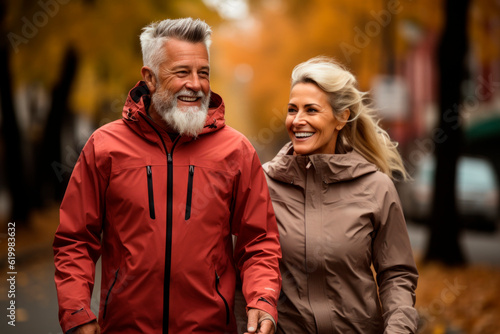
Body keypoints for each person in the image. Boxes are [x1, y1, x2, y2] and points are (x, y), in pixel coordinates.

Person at [53, 18, 281, 334]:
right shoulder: (104, 147)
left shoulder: (236, 151)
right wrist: (77, 314)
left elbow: (259, 241)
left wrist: (262, 300)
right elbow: (75, 240)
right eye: (182, 72)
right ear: (150, 77)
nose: (196, 84)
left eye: (204, 73)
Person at [263, 56, 419, 333]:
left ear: (342, 117)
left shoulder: (376, 187)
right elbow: (243, 268)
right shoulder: (264, 183)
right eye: (292, 109)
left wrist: (399, 329)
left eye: (311, 110)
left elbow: (396, 274)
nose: (298, 120)